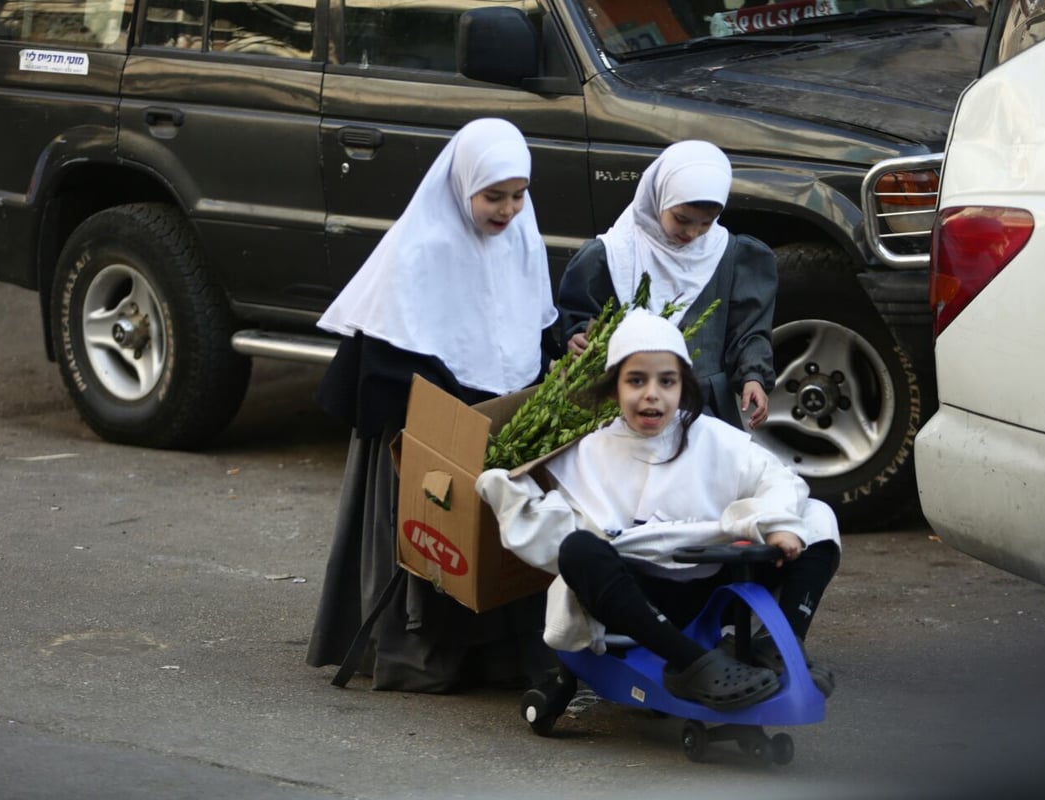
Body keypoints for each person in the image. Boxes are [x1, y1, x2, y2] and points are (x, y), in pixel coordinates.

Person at [306, 118, 562, 693]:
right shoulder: (422, 247)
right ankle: (422, 658)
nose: (508, 210)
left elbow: (531, 325)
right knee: (436, 535)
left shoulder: (522, 238)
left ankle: (500, 658)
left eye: (518, 195)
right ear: (460, 185)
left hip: (500, 418)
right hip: (428, 419)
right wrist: (449, 406)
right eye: (493, 196)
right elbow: (390, 350)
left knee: (504, 539)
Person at [476, 310, 840, 711]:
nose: (652, 394)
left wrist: (777, 525)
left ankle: (777, 642)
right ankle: (689, 664)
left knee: (818, 516)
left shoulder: (713, 437)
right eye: (636, 380)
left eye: (666, 381)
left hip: (711, 593)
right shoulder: (587, 451)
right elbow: (548, 527)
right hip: (635, 601)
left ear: (683, 387)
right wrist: (505, 487)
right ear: (614, 389)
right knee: (578, 550)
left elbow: (780, 479)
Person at [557, 140, 776, 430]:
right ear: (658, 195)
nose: (692, 232)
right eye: (682, 219)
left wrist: (753, 376)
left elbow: (747, 331)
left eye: (705, 223)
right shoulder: (613, 255)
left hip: (703, 406)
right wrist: (578, 337)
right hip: (626, 406)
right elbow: (580, 317)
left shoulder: (729, 255)